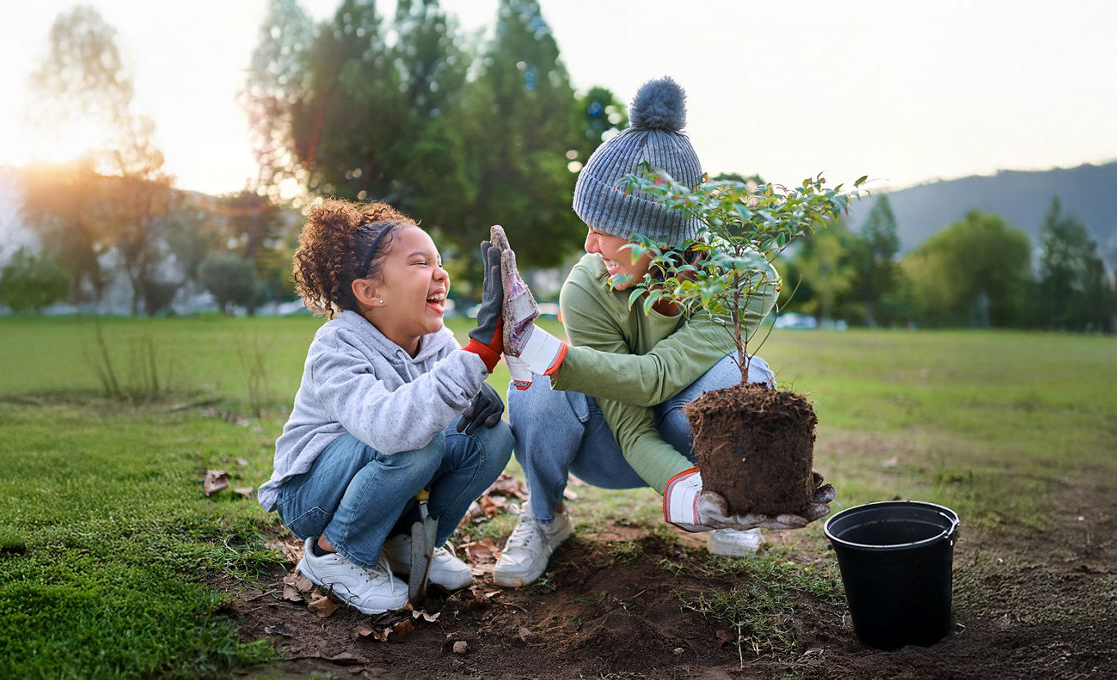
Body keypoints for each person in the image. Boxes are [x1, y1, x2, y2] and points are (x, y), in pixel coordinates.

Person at [490, 77, 833, 587]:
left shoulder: (744, 281)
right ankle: (544, 518)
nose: (588, 245)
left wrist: (742, 484)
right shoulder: (585, 290)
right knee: (538, 388)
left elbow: (657, 377)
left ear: (654, 234)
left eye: (602, 230)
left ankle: (732, 501)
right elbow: (631, 429)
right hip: (606, 447)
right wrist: (681, 489)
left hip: (693, 435)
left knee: (739, 373)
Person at [257, 200, 514, 614]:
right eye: (419, 263)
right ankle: (332, 554)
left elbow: (438, 399)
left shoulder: (436, 341)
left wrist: (469, 392)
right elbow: (390, 428)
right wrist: (478, 356)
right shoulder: (335, 346)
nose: (440, 273)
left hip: (383, 473)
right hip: (311, 496)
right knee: (415, 443)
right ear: (370, 292)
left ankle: (407, 542)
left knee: (491, 436)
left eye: (439, 262)